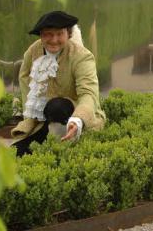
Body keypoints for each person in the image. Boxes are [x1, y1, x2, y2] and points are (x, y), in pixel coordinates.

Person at [10, 10, 106, 156]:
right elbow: (24, 80)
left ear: (69, 34)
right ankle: (47, 139)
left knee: (57, 107)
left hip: (74, 115)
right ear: (41, 35)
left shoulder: (82, 56)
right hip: (44, 119)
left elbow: (88, 93)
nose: (54, 40)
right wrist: (29, 114)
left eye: (59, 34)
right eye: (48, 34)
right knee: (14, 153)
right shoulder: (33, 52)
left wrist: (78, 120)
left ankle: (65, 145)